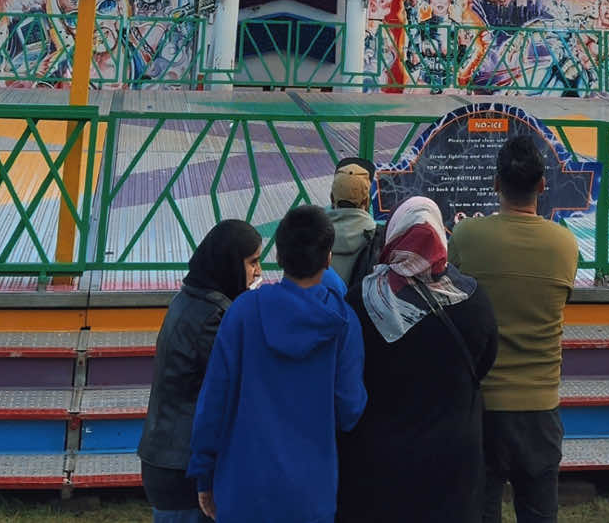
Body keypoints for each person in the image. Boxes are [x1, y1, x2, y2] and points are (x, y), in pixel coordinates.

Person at [188, 205, 366, 523]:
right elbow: (349, 409)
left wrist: (204, 471)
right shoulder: (343, 322)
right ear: (328, 258)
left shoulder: (243, 312)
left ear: (279, 256)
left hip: (243, 488)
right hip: (310, 493)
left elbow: (214, 399)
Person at [337, 196, 498, 523]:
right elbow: (483, 363)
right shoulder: (473, 300)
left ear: (393, 235)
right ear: (440, 234)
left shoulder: (362, 301)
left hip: (382, 459)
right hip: (453, 456)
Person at [449, 135, 579, 523]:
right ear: (542, 185)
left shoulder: (467, 237)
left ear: (495, 184)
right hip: (540, 407)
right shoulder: (564, 245)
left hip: (482, 405)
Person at [138, 219, 262, 523]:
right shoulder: (211, 318)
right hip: (183, 465)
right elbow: (240, 381)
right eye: (253, 262)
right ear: (228, 263)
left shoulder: (191, 299)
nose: (258, 272)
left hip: (168, 457)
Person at [325, 157, 384, 287]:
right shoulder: (378, 236)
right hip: (357, 306)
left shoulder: (312, 232)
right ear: (366, 201)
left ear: (331, 197)